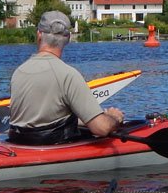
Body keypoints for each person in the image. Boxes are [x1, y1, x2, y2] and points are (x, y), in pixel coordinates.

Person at [7, 10, 126, 145]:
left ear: (39, 35)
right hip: (53, 145)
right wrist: (113, 118)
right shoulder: (68, 75)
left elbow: (41, 120)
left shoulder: (18, 72)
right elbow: (101, 128)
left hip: (19, 144)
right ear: (68, 38)